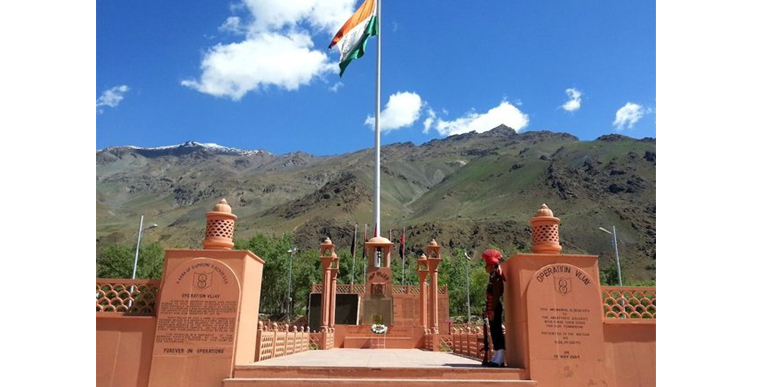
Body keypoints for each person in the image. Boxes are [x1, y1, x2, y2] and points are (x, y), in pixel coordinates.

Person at [482, 248, 506, 367]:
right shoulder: (493, 276)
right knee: (494, 332)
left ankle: (500, 358)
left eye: (487, 264)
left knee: (497, 332)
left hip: (495, 307)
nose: (485, 267)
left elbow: (496, 295)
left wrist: (492, 310)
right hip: (493, 307)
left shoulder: (496, 277)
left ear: (492, 265)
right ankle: (496, 356)